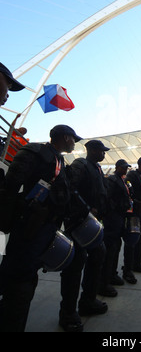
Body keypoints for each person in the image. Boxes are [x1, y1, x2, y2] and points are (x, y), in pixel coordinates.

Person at [0, 124, 82, 332]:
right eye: (74, 139)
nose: (75, 143)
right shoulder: (34, 152)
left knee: (26, 283)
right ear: (65, 137)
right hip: (28, 230)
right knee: (20, 285)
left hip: (44, 229)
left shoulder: (59, 160)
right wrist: (9, 221)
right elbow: (10, 187)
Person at [60, 139, 110, 333]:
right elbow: (70, 189)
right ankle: (68, 313)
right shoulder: (81, 164)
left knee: (98, 254)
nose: (103, 154)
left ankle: (88, 300)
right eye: (100, 150)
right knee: (75, 265)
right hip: (78, 223)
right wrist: (86, 208)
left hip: (90, 223)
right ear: (90, 150)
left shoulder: (96, 168)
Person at [102, 159, 140, 289]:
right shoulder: (112, 180)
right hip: (114, 218)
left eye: (126, 168)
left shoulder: (124, 181)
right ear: (117, 167)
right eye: (123, 167)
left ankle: (113, 274)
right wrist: (118, 208)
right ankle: (108, 277)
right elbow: (108, 199)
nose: (125, 170)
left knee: (117, 246)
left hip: (122, 217)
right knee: (111, 248)